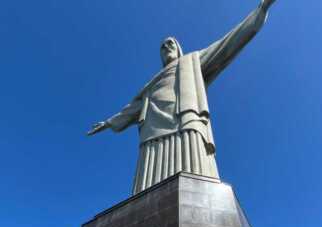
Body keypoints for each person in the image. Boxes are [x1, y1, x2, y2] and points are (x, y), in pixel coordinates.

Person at [88, 0, 279, 195]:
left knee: (194, 171)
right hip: (152, 130)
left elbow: (227, 44)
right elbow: (132, 109)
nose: (166, 46)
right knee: (148, 181)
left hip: (185, 119)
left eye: (170, 43)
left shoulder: (192, 61)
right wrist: (109, 123)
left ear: (179, 48)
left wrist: (260, 11)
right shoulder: (150, 85)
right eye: (162, 46)